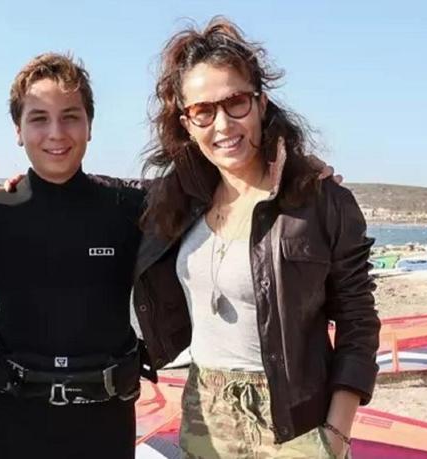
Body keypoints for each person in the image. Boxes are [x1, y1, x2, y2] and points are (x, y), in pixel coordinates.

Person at [132, 18, 380, 458]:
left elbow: (358, 321)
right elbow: (97, 193)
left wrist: (336, 435)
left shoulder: (320, 201)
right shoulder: (178, 200)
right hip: (203, 418)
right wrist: (22, 188)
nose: (223, 125)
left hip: (295, 421)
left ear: (261, 104)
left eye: (236, 103)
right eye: (203, 111)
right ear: (186, 123)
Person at [0, 53, 152, 459]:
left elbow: (201, 193)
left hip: (106, 422)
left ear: (89, 125)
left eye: (70, 116)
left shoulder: (130, 210)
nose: (56, 133)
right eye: (38, 118)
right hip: (13, 420)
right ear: (18, 130)